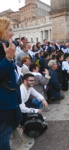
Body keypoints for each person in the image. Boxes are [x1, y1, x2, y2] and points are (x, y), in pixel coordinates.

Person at [0, 17, 22, 150]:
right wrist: (8, 58)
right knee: (4, 134)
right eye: (10, 30)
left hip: (8, 101)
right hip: (3, 104)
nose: (13, 33)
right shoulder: (6, 52)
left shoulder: (7, 49)